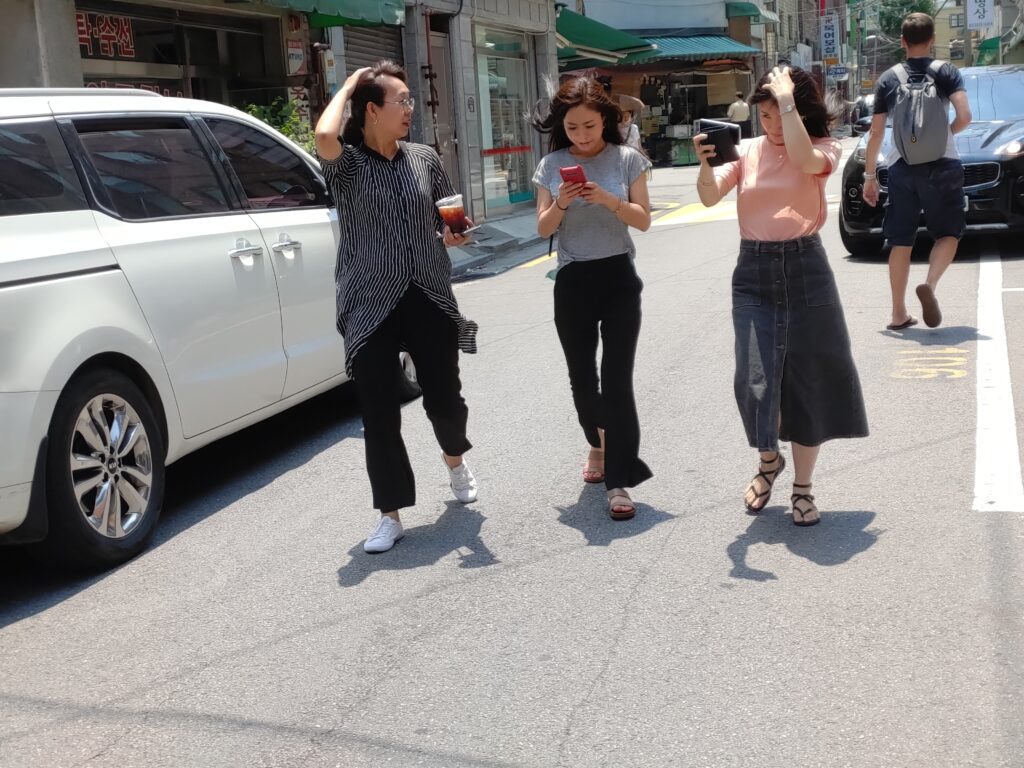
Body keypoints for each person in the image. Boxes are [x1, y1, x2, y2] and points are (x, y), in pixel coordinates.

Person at [314, 60, 479, 554]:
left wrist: (456, 233)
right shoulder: (347, 166)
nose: (410, 109)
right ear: (371, 110)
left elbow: (449, 216)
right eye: (401, 101)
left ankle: (455, 459)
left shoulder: (423, 158)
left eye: (410, 101)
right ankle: (390, 514)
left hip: (427, 291)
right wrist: (348, 83)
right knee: (379, 412)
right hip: (369, 301)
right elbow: (324, 134)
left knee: (445, 399)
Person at [694, 66, 868, 527]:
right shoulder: (748, 150)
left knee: (810, 378)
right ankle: (769, 459)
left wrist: (789, 100)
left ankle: (803, 488)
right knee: (755, 379)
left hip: (806, 266)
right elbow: (710, 197)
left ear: (800, 111)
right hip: (754, 270)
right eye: (765, 115)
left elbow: (805, 160)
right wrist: (705, 166)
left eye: (780, 113)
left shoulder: (824, 148)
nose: (770, 124)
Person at [531, 77, 653, 520]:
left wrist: (607, 199)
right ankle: (598, 445)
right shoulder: (551, 164)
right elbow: (543, 229)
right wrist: (562, 203)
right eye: (572, 128)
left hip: (618, 277)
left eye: (589, 126)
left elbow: (643, 220)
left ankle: (619, 480)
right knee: (583, 381)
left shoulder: (627, 159)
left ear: (605, 119)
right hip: (573, 282)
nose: (581, 136)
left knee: (617, 382)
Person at [862, 12, 972, 331]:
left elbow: (876, 133)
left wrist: (870, 176)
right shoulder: (946, 71)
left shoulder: (889, 78)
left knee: (900, 240)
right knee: (948, 233)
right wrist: (946, 133)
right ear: (932, 40)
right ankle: (930, 284)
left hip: (902, 166)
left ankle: (898, 313)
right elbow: (965, 115)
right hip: (943, 163)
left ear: (902, 41)